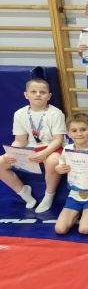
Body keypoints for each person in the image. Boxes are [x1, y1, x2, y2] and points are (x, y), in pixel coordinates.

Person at [0, 78, 66, 213]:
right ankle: (23, 192)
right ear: (26, 95)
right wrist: (12, 153)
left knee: (52, 161)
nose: (38, 94)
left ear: (49, 96)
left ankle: (49, 195)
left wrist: (44, 153)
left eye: (42, 92)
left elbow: (58, 140)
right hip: (30, 150)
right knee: (1, 162)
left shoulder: (56, 113)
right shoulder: (20, 114)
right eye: (33, 92)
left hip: (52, 147)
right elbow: (20, 140)